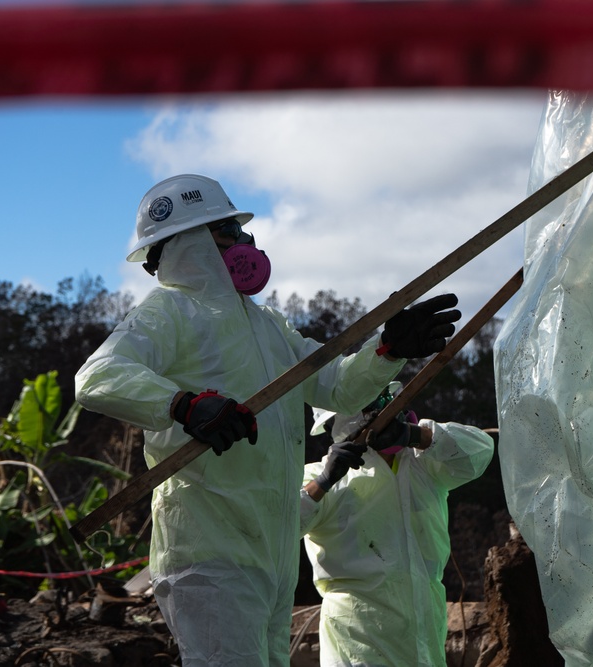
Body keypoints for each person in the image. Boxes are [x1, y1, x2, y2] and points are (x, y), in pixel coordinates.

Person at [74, 174, 461, 667]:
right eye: (230, 233)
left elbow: (335, 387)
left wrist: (386, 352)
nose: (244, 243)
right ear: (193, 243)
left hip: (272, 555)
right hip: (209, 551)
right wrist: (183, 405)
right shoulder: (169, 311)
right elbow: (96, 377)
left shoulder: (266, 325)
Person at [300, 382, 494, 666]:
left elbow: (480, 451)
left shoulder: (423, 463)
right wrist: (323, 483)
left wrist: (418, 435)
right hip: (358, 640)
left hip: (423, 631)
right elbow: (280, 525)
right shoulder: (321, 477)